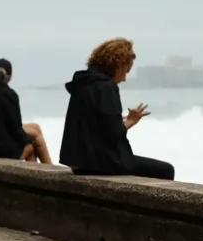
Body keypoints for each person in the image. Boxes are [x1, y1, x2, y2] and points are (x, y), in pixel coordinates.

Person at [60, 38, 175, 180]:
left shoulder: (83, 82)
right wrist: (131, 121)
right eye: (126, 71)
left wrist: (113, 118)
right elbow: (113, 134)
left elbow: (90, 124)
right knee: (166, 170)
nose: (124, 78)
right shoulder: (107, 87)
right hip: (98, 163)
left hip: (78, 162)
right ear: (118, 65)